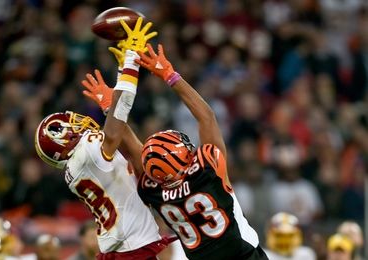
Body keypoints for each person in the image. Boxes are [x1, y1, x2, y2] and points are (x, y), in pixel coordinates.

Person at [82, 43, 267, 259]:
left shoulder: (153, 188)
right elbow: (206, 116)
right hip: (243, 254)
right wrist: (170, 75)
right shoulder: (207, 168)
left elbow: (133, 146)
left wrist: (110, 107)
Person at [34, 18, 173, 259]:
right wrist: (130, 63)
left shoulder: (81, 163)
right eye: (69, 125)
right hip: (131, 249)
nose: (76, 122)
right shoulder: (87, 154)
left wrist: (114, 98)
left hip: (126, 248)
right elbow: (116, 129)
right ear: (60, 141)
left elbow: (132, 148)